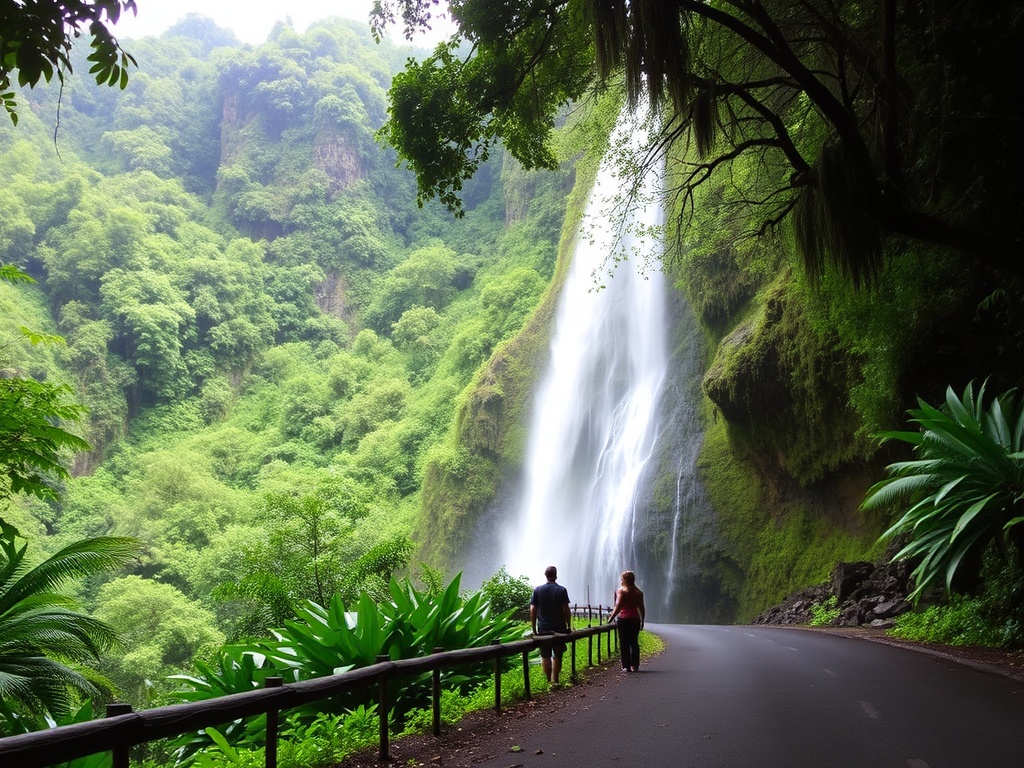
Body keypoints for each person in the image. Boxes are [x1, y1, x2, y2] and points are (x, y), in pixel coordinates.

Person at [530, 565, 572, 686]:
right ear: (556, 575)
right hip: (559, 628)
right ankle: (555, 680)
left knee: (545, 655)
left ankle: (549, 681)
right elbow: (566, 609)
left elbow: (533, 609)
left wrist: (534, 628)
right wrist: (568, 625)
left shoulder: (537, 590)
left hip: (543, 628)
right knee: (557, 654)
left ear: (545, 575)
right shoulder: (561, 590)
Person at [607, 570, 646, 672]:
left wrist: (611, 618)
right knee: (634, 642)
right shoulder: (639, 593)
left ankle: (626, 666)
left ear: (624, 580)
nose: (621, 581)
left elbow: (618, 606)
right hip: (635, 619)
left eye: (622, 579)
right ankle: (635, 665)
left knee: (624, 643)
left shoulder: (621, 592)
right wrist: (642, 620)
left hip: (623, 619)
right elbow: (641, 608)